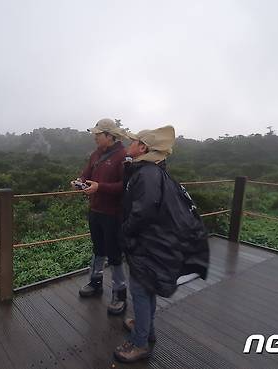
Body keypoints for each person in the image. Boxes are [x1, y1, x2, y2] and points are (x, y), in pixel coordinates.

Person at [114, 125, 210, 363]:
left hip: (146, 244)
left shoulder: (147, 174)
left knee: (140, 291)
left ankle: (140, 343)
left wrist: (123, 233)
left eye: (134, 141)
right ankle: (146, 329)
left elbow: (142, 212)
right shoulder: (150, 170)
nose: (130, 144)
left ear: (144, 148)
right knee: (146, 287)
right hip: (152, 242)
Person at [73, 118, 128, 315]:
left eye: (98, 134)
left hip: (113, 214)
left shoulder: (123, 155)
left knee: (114, 254)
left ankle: (120, 293)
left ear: (110, 136)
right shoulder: (96, 154)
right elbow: (87, 173)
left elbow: (125, 186)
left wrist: (100, 187)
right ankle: (96, 283)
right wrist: (80, 181)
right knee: (97, 248)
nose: (95, 137)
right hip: (95, 210)